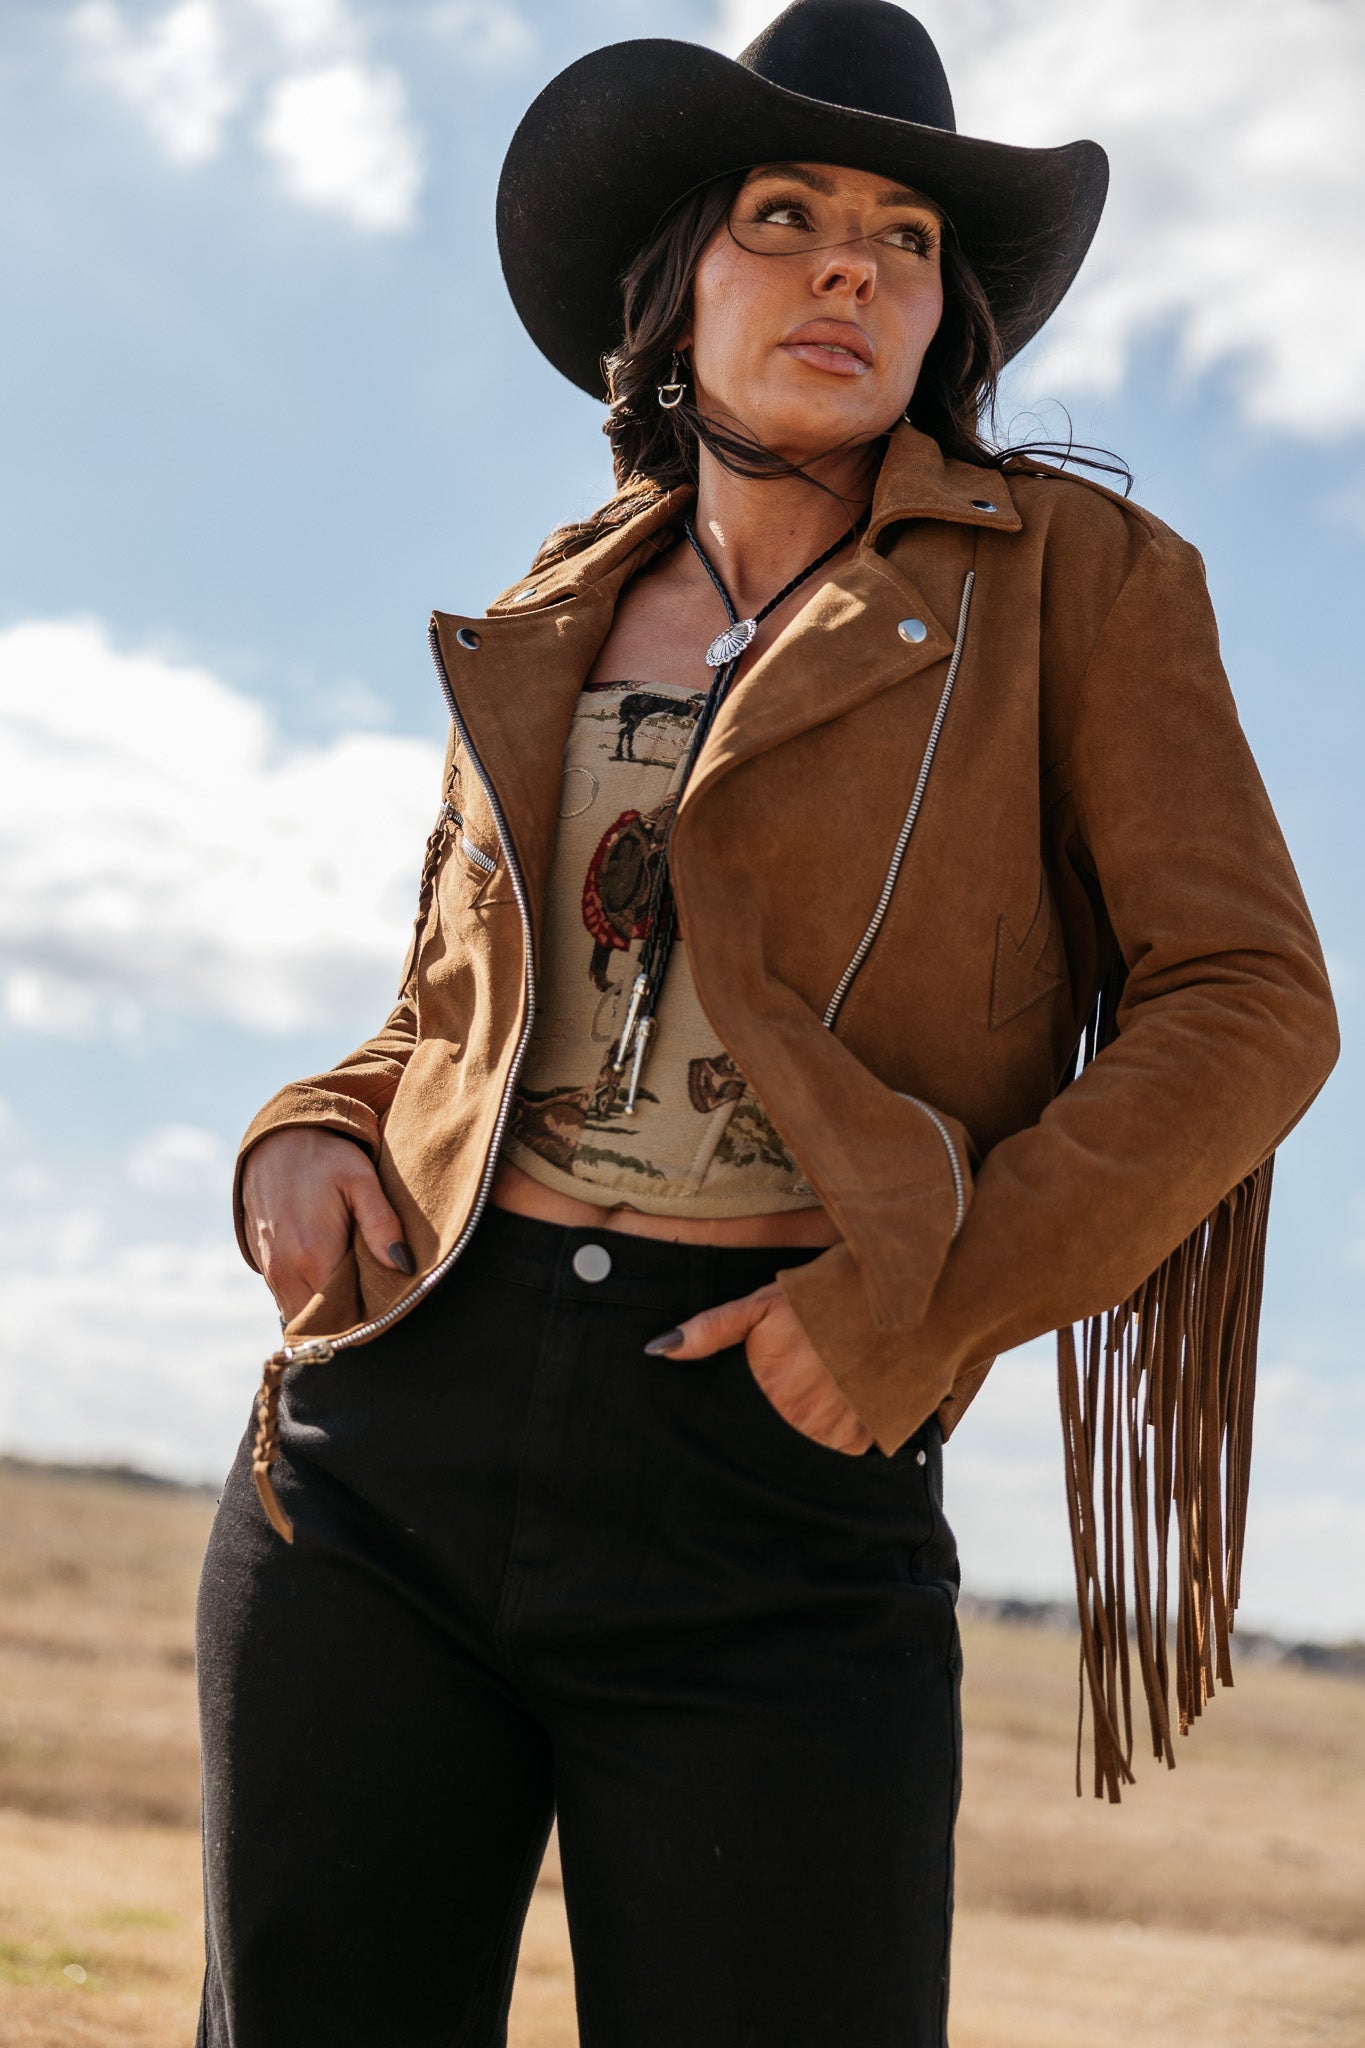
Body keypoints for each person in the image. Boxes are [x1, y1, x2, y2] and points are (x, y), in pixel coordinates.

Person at [195, 4, 1338, 2043]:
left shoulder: (1075, 580)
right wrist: (309, 1125)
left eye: (902, 240)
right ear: (669, 293)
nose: (845, 268)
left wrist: (929, 1303)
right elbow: (447, 1014)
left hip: (772, 1465)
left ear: (941, 323)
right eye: (783, 216)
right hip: (386, 1435)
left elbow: (1247, 1001)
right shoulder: (554, 603)